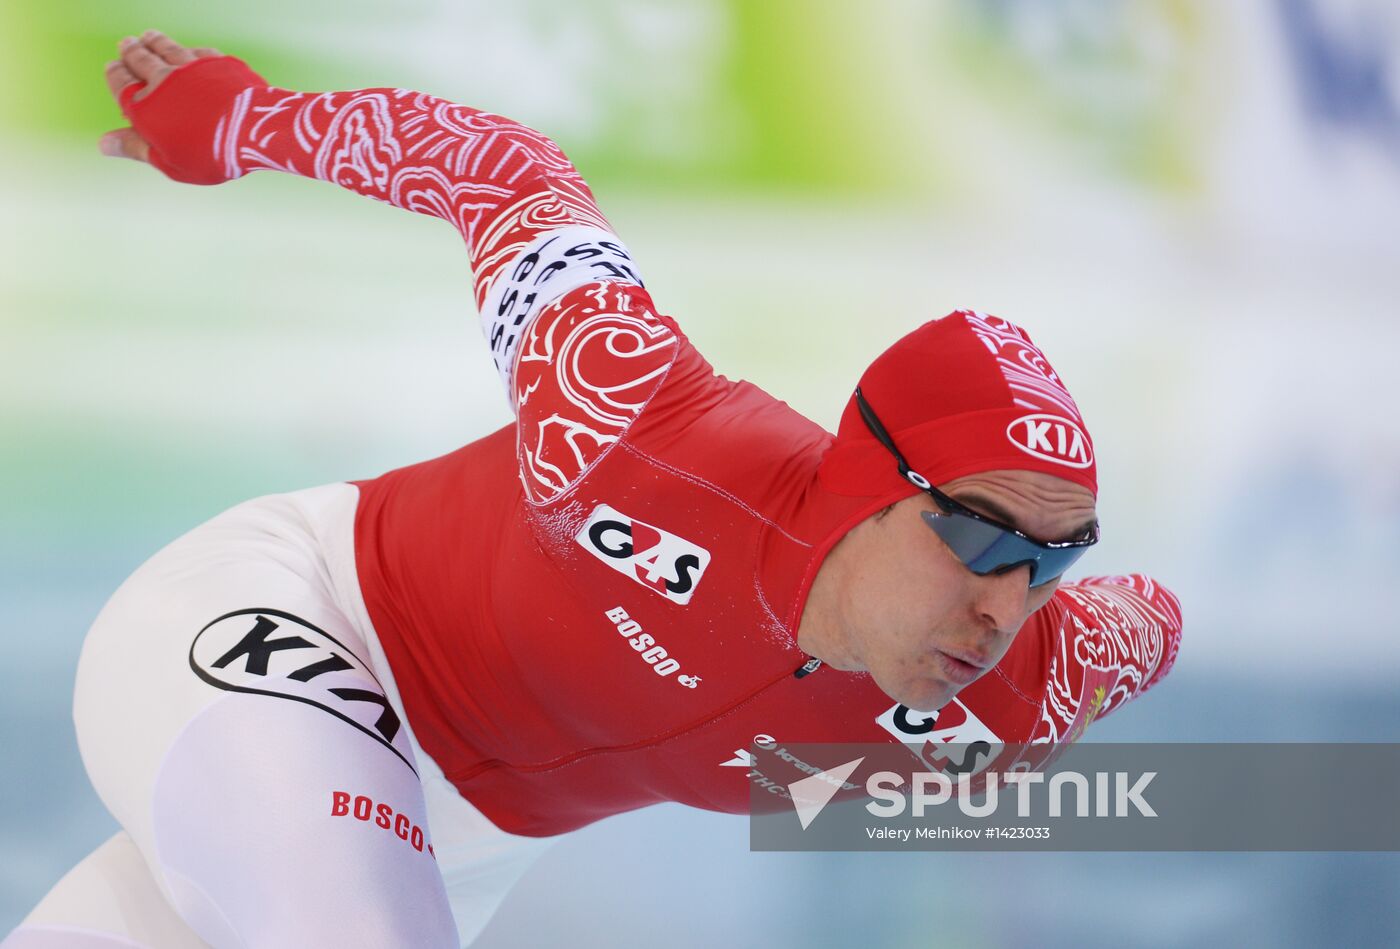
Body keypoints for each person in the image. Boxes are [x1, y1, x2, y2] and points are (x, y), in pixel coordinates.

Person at [4, 30, 1183, 949]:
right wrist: (244, 121)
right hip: (297, 622)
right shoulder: (633, 425)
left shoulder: (1020, 690)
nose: (1003, 607)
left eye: (1052, 561)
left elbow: (1153, 626)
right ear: (865, 488)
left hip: (452, 846)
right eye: (979, 544)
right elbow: (505, 174)